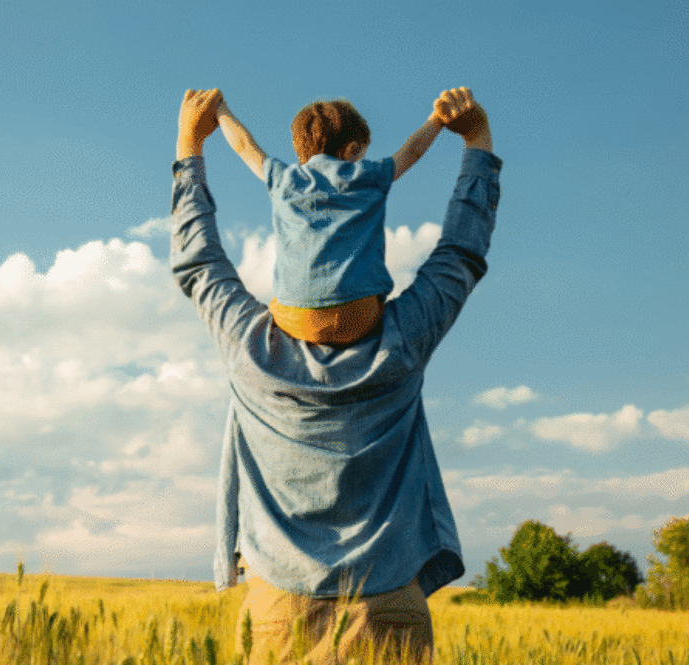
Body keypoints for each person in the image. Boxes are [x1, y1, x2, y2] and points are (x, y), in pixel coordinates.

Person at [170, 88, 500, 664]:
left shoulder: (250, 351)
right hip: (389, 611)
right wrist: (476, 142)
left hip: (278, 615)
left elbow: (199, 262)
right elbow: (460, 254)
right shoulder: (404, 342)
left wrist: (190, 144)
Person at [216, 96, 445, 345]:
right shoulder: (368, 175)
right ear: (352, 150)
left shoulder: (284, 179)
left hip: (297, 319)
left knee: (275, 308)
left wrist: (221, 110)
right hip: (359, 315)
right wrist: (437, 119)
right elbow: (413, 150)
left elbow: (243, 146)